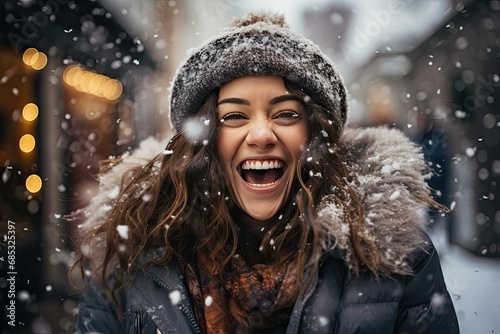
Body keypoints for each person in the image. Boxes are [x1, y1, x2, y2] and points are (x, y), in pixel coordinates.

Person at [72, 11, 459, 334]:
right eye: (235, 116)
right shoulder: (133, 253)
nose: (260, 135)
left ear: (313, 135)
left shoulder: (398, 257)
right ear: (204, 139)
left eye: (286, 114)